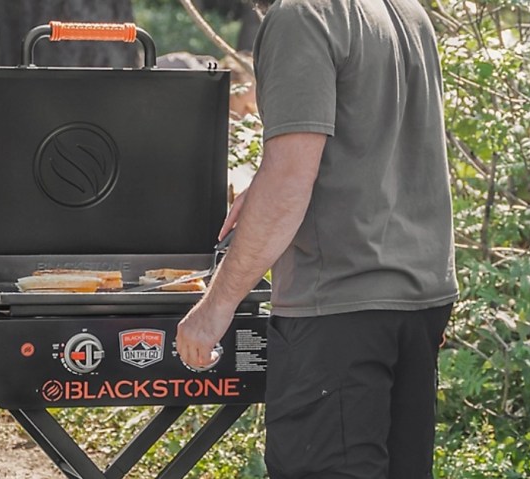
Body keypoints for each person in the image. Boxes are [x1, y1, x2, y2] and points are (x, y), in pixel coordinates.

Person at [175, 0, 459, 477]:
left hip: (341, 309)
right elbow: (374, 146)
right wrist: (265, 186)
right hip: (421, 297)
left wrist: (214, 308)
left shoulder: (302, 16)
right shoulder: (405, 11)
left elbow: (290, 181)